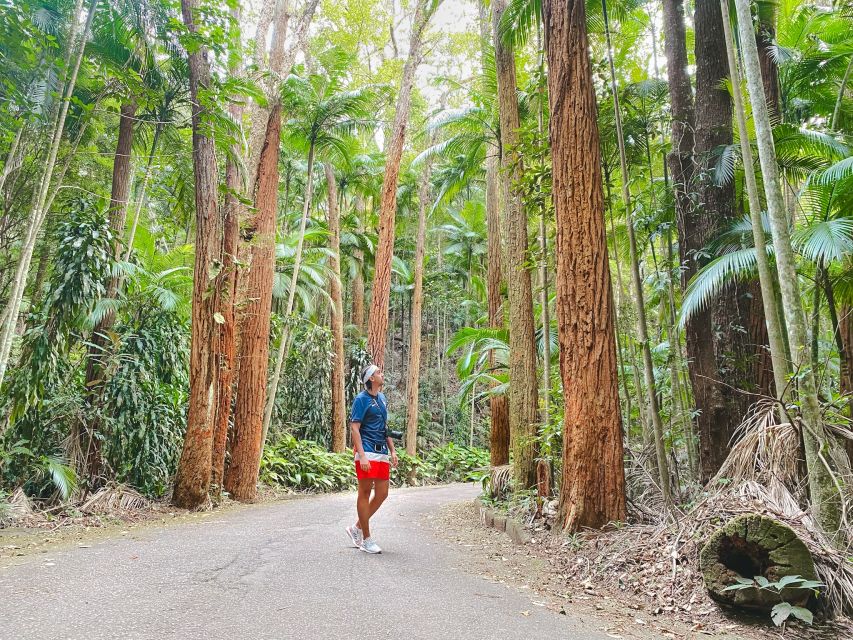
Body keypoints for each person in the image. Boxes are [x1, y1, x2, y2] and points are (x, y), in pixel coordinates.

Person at [346, 364, 398, 554]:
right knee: (365, 493)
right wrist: (361, 455)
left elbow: (385, 427)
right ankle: (366, 539)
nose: (381, 374)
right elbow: (354, 428)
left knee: (383, 493)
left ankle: (356, 527)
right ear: (370, 379)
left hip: (381, 450)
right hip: (366, 451)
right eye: (378, 372)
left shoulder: (382, 398)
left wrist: (392, 450)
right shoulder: (361, 399)